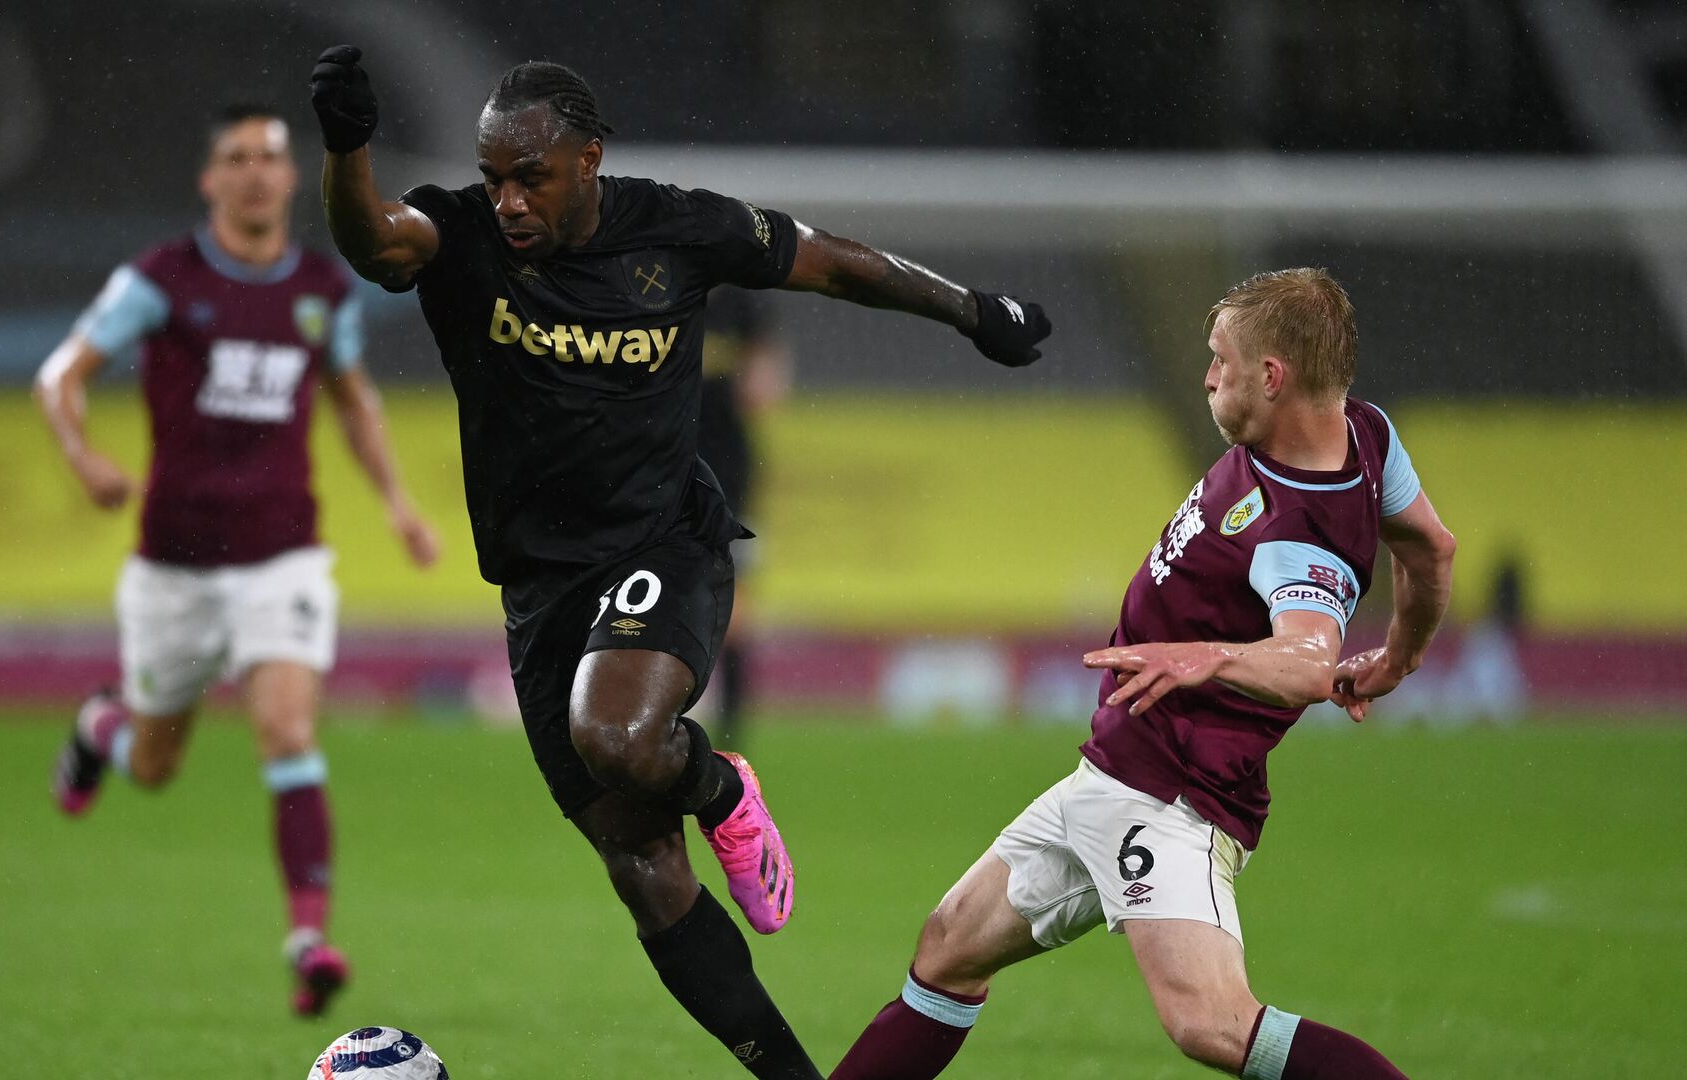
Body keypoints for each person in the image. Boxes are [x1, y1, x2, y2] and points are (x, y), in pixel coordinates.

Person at [307, 47, 1051, 1080]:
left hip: (665, 544)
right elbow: (379, 244)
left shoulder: (677, 226)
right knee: (645, 872)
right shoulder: (466, 234)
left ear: (590, 161)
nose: (509, 201)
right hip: (540, 586)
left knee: (614, 730)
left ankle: (719, 786)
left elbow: (829, 260)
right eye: (494, 179)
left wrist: (973, 310)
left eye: (532, 178)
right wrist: (347, 150)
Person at [829, 268, 1455, 1080]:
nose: (1206, 376)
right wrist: (1398, 661)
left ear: (1272, 377)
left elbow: (1308, 661)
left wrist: (1213, 656)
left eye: (1220, 359)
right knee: (949, 947)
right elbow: (1430, 547)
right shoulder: (1366, 434)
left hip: (1171, 796)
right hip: (1118, 768)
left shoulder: (1299, 529)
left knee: (1213, 1024)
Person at [37, 103, 440, 1018]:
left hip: (281, 557)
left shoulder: (322, 292)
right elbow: (59, 374)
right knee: (152, 764)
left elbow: (352, 401)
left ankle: (310, 940)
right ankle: (101, 727)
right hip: (173, 569)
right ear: (209, 180)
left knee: (290, 733)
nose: (257, 171)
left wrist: (398, 506)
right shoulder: (161, 280)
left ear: (293, 177)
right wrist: (83, 455)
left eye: (270, 156)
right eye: (237, 158)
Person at [696, 286, 791, 748]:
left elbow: (766, 390)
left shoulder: (742, 305)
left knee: (736, 607)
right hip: (668, 466)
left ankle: (731, 731)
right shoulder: (659, 288)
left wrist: (759, 368)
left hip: (731, 473)